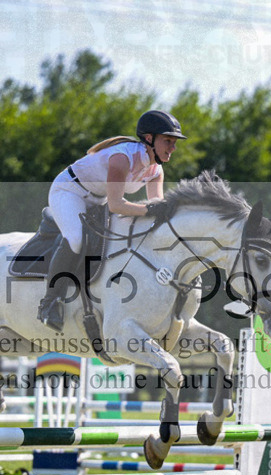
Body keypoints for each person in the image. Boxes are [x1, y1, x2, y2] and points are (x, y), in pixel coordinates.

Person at [37, 110, 187, 331]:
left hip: (100, 198)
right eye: (168, 141)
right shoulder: (122, 158)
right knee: (76, 239)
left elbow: (156, 209)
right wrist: (153, 210)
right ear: (149, 139)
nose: (173, 148)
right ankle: (49, 303)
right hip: (69, 191)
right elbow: (117, 206)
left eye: (174, 142)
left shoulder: (156, 171)